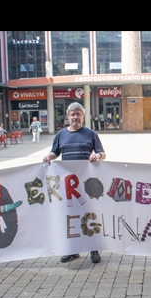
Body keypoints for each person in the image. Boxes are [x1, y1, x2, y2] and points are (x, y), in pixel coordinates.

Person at [43, 102, 105, 264]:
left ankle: (93, 248)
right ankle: (73, 250)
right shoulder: (61, 135)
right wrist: (49, 157)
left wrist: (98, 156)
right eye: (73, 114)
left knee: (89, 215)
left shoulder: (91, 134)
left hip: (87, 183)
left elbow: (102, 153)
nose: (75, 117)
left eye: (78, 114)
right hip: (68, 185)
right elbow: (55, 152)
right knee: (70, 216)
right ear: (68, 116)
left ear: (83, 116)